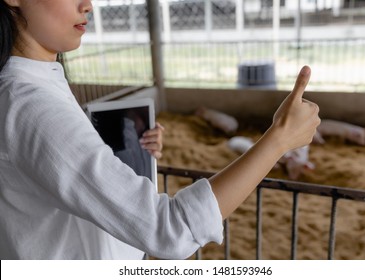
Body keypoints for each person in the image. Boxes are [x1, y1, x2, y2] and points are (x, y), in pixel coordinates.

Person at [0, 0, 320, 260]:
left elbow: (60, 177)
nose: (88, 5)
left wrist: (128, 158)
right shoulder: (31, 104)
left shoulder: (35, 84)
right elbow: (170, 232)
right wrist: (278, 139)